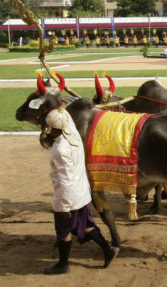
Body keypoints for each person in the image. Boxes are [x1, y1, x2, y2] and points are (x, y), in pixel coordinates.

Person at [40, 107, 119, 275]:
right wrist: (61, 108)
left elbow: (65, 180)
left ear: (52, 129)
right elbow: (65, 117)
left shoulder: (61, 149)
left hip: (70, 197)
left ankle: (63, 264)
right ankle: (108, 249)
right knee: (84, 226)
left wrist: (65, 207)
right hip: (82, 193)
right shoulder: (73, 135)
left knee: (63, 229)